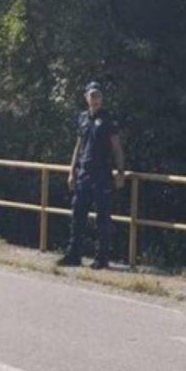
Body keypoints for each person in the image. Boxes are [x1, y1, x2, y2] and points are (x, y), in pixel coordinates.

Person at [57, 81, 125, 269]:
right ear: (86, 98)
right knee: (78, 213)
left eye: (98, 96)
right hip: (84, 173)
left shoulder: (108, 119)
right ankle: (74, 255)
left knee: (102, 217)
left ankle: (102, 258)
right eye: (92, 96)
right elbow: (78, 146)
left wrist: (120, 172)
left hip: (102, 173)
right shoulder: (82, 118)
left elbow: (117, 147)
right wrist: (72, 171)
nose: (95, 99)